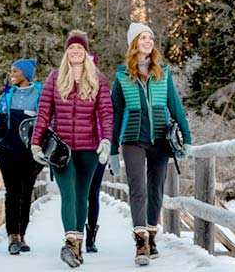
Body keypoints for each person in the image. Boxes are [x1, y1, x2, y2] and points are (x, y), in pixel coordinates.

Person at [109, 22, 192, 266]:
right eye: (143, 37)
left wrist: (186, 138)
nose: (148, 41)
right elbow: (115, 114)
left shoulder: (162, 73)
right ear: (134, 43)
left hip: (160, 139)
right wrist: (113, 149)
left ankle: (152, 235)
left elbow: (175, 107)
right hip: (133, 139)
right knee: (138, 189)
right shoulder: (122, 76)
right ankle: (140, 242)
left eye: (150, 38)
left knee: (156, 188)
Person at [29, 30, 113, 268]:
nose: (75, 52)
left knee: (82, 195)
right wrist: (36, 142)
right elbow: (44, 112)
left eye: (79, 48)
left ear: (86, 53)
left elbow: (106, 113)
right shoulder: (54, 78)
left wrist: (106, 141)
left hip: (88, 148)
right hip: (61, 149)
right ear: (66, 53)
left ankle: (77, 245)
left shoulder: (98, 79)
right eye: (71, 48)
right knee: (68, 193)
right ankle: (69, 241)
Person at [0, 58, 43, 255]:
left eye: (16, 71)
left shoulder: (39, 92)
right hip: (7, 149)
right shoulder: (6, 94)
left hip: (30, 151)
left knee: (26, 192)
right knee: (12, 192)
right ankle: (12, 235)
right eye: (11, 70)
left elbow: (47, 119)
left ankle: (22, 234)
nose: (12, 74)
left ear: (26, 74)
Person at [85, 52, 106, 253]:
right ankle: (75, 235)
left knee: (93, 192)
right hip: (78, 148)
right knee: (78, 193)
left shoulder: (101, 88)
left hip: (98, 148)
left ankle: (90, 238)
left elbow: (109, 117)